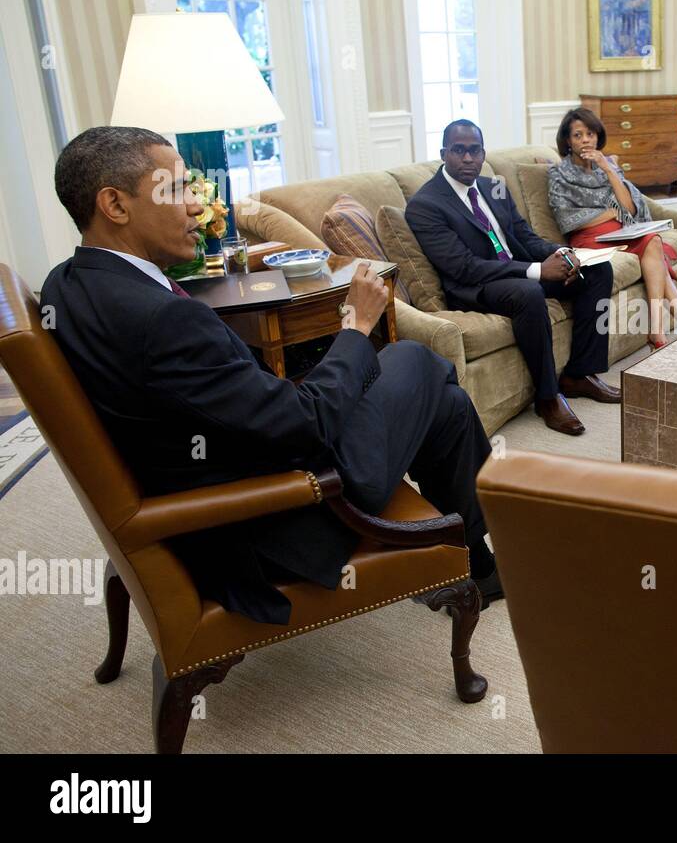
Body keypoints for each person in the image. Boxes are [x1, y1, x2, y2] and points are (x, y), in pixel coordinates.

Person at [41, 126, 501, 624]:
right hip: (282, 509)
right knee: (415, 359)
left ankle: (475, 558)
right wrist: (356, 326)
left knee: (443, 403)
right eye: (174, 189)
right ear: (115, 204)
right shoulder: (163, 319)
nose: (197, 205)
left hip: (218, 467)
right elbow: (306, 425)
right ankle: (476, 545)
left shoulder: (65, 284)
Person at [405, 119, 621, 436]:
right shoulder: (426, 205)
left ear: (483, 153)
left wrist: (562, 253)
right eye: (458, 151)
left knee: (598, 269)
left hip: (515, 270)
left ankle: (579, 374)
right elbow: (463, 267)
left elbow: (525, 237)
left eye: (474, 150)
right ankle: (547, 397)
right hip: (476, 287)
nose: (468, 158)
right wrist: (535, 270)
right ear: (444, 154)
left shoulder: (493, 187)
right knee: (528, 293)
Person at [547, 107, 677, 349]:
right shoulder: (558, 173)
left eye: (591, 134)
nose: (585, 139)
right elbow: (566, 218)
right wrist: (608, 213)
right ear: (567, 140)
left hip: (619, 232)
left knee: (653, 242)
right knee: (655, 251)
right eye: (578, 135)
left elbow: (628, 208)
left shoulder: (606, 166)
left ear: (598, 137)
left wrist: (608, 169)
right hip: (589, 238)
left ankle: (659, 329)